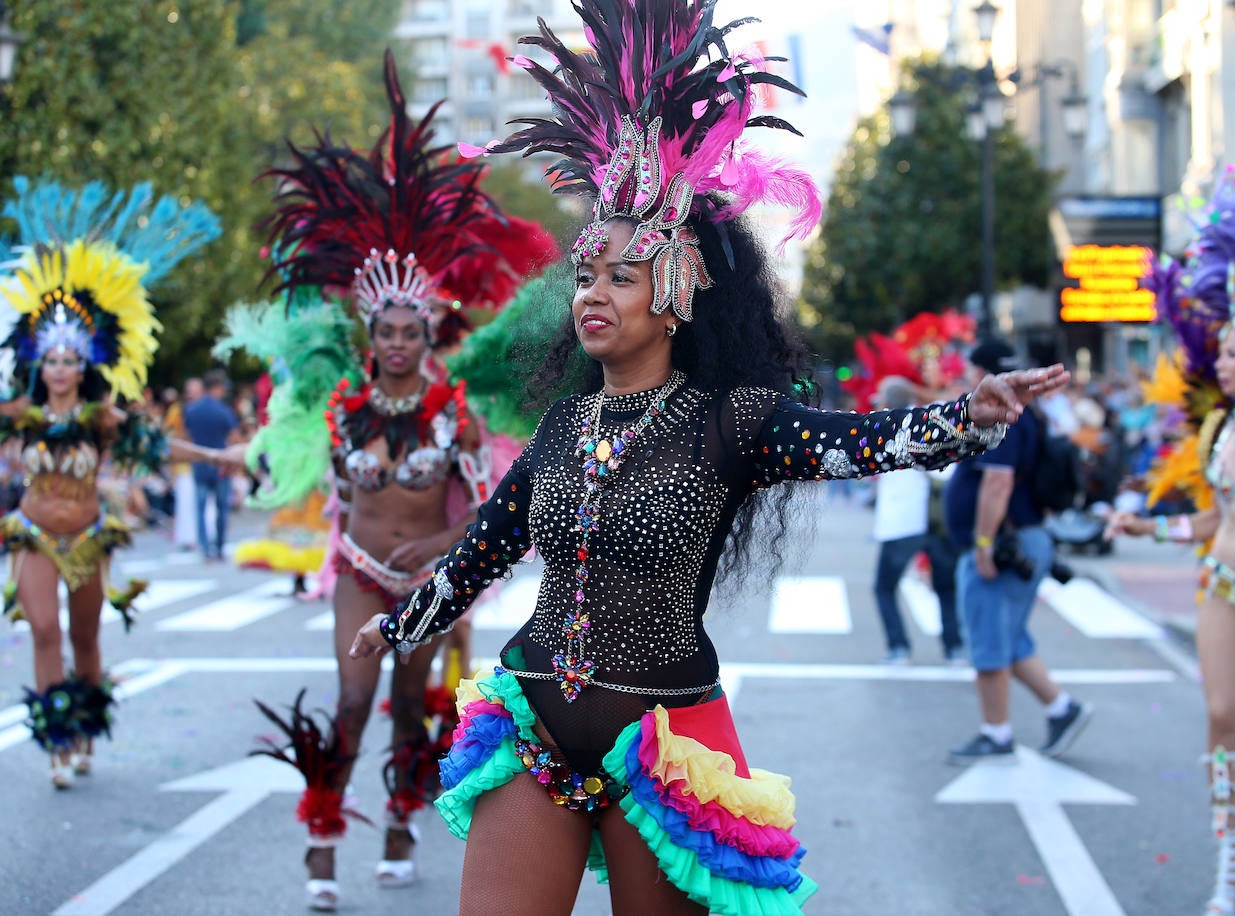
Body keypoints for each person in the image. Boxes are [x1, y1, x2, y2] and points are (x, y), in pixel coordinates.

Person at [347, 5, 1068, 913]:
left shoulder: (735, 422)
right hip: (530, 726)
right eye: (584, 274)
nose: (592, 293)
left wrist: (965, 417)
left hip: (666, 748)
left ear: (678, 290)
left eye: (620, 274)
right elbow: (483, 551)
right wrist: (404, 626)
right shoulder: (562, 427)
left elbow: (860, 444)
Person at [229, 50, 559, 912]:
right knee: (350, 701)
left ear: (427, 331)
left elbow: (492, 512)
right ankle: (324, 832)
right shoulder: (338, 407)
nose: (402, 342)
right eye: (389, 330)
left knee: (414, 711)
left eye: (415, 328)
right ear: (372, 335)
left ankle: (404, 820)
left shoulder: (456, 412)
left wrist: (445, 545)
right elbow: (295, 469)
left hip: (424, 577)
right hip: (358, 571)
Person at [0, 177, 222, 788]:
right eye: (51, 359)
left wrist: (225, 456)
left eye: (70, 360)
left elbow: (158, 440)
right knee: (44, 630)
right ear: (40, 362)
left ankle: (84, 727)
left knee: (85, 638)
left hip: (88, 537)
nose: (60, 369)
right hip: (33, 534)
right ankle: (56, 739)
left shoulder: (101, 417)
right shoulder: (22, 414)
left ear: (84, 364)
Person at [1105, 148, 1235, 914]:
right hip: (1224, 578)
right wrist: (1148, 525)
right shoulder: (1217, 427)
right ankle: (1230, 867)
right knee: (1220, 716)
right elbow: (1213, 516)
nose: (1222, 359)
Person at [944, 338, 1094, 766]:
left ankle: (997, 733)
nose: (966, 379)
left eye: (971, 371)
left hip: (1007, 543)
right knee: (1010, 637)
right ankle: (1063, 709)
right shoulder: (1027, 414)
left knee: (989, 636)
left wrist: (984, 543)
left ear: (984, 374)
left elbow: (998, 482)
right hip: (1023, 538)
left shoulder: (1005, 414)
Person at [870, 376, 964, 664]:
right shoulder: (933, 420)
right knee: (946, 588)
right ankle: (954, 648)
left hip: (901, 521)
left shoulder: (883, 426)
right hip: (937, 519)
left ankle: (899, 647)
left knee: (884, 587)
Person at [184, 370, 239, 561]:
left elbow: (187, 438)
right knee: (221, 508)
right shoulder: (224, 411)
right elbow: (233, 438)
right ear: (217, 387)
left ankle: (206, 549)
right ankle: (220, 547)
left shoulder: (192, 410)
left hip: (199, 464)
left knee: (200, 509)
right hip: (222, 464)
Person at [166, 378, 202, 550]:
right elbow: (170, 437)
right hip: (184, 465)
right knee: (185, 503)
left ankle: (202, 537)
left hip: (203, 464)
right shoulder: (177, 411)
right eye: (190, 390)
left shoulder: (204, 409)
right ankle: (187, 538)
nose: (192, 394)